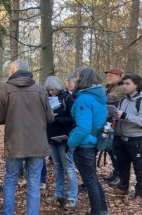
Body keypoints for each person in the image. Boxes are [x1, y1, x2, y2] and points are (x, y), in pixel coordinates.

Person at [0, 60, 54, 215]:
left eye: (8, 70)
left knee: (11, 179)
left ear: (13, 70)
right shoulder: (40, 90)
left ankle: (8, 213)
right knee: (34, 182)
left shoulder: (4, 90)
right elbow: (50, 117)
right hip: (37, 144)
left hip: (15, 143)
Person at [68, 67, 108, 215]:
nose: (74, 80)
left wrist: (70, 142)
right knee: (92, 178)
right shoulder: (98, 97)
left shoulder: (84, 98)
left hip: (85, 144)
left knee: (90, 180)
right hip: (93, 141)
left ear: (82, 79)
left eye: (76, 78)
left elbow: (83, 128)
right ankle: (102, 209)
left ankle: (96, 212)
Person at [43, 76, 78, 209]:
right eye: (48, 90)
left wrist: (57, 119)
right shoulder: (46, 98)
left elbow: (74, 118)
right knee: (58, 166)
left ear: (58, 87)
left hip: (65, 138)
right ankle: (58, 194)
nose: (51, 92)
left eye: (53, 89)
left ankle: (72, 197)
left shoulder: (67, 98)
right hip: (51, 138)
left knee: (69, 167)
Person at [113, 74, 142, 205]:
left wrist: (124, 115)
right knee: (122, 165)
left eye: (128, 83)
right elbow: (119, 116)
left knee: (139, 168)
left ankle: (139, 194)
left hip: (136, 139)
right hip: (119, 138)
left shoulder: (140, 100)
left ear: (136, 84)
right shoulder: (123, 99)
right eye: (123, 83)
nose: (124, 86)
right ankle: (123, 187)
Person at [103, 68, 125, 187]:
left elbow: (108, 99)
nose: (109, 77)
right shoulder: (109, 88)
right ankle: (115, 173)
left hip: (117, 124)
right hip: (109, 123)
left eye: (112, 75)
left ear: (120, 76)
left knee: (116, 151)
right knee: (110, 149)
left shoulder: (120, 88)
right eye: (108, 76)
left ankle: (120, 176)